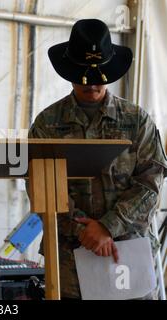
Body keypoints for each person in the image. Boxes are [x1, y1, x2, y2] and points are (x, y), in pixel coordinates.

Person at [28, 19, 167, 299]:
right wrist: (85, 230)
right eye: (83, 77)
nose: (91, 86)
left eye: (97, 78)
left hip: (128, 251)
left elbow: (150, 184)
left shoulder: (136, 121)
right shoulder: (48, 124)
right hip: (70, 257)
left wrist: (107, 226)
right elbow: (39, 187)